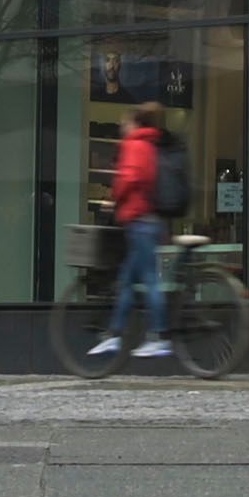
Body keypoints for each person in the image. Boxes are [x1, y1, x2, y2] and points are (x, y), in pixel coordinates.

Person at [86, 112, 175, 360]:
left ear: (136, 124)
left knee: (148, 279)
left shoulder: (135, 145)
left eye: (125, 123)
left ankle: (159, 336)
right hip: (150, 220)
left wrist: (114, 197)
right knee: (127, 280)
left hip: (139, 220)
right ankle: (114, 334)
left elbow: (130, 177)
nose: (122, 127)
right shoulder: (152, 147)